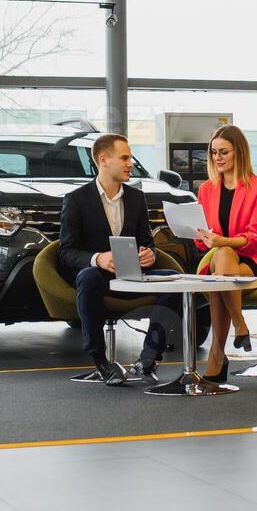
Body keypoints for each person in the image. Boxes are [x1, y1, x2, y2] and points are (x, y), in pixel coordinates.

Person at [58, 133, 180, 386]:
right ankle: (101, 362)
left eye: (130, 158)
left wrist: (149, 254)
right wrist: (97, 259)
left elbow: (148, 242)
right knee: (88, 276)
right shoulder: (77, 199)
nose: (130, 163)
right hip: (98, 276)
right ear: (103, 160)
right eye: (124, 158)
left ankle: (148, 359)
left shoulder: (136, 198)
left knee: (173, 281)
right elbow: (66, 251)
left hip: (132, 273)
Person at [194, 124, 257, 382]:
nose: (217, 158)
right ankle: (239, 324)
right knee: (222, 257)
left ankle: (217, 357)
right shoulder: (205, 190)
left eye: (224, 152)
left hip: (253, 259)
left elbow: (256, 235)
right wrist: (202, 238)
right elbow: (204, 242)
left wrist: (223, 241)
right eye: (213, 153)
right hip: (223, 259)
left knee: (220, 274)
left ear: (240, 153)